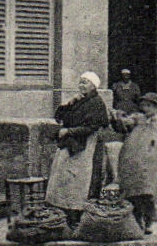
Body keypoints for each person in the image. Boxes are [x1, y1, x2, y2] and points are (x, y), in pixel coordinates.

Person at [47, 71, 113, 229]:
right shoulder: (79, 101)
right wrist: (70, 103)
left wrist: (70, 132)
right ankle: (62, 213)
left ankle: (75, 215)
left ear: (93, 86)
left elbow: (92, 127)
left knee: (77, 181)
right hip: (70, 144)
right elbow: (60, 116)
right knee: (62, 179)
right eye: (80, 82)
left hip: (84, 147)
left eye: (85, 82)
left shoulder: (96, 103)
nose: (81, 85)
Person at [117, 92, 157, 234]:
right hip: (135, 162)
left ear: (156, 108)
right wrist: (119, 117)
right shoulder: (137, 118)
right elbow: (125, 123)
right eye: (143, 105)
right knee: (134, 192)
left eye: (149, 106)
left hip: (154, 165)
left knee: (149, 194)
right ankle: (136, 221)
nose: (145, 109)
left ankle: (147, 222)